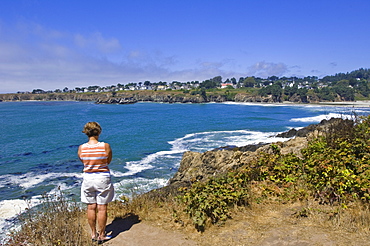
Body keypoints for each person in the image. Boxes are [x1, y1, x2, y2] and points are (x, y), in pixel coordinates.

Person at [78, 122, 114, 243]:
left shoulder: (81, 148)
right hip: (102, 177)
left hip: (88, 178)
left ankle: (93, 234)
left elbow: (82, 160)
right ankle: (102, 234)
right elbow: (108, 161)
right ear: (99, 131)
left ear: (86, 133)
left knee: (91, 207)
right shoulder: (105, 146)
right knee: (102, 207)